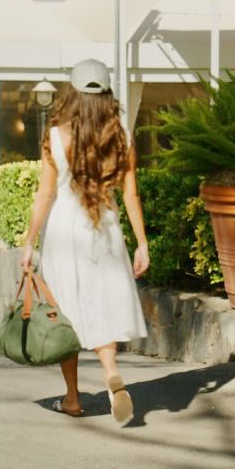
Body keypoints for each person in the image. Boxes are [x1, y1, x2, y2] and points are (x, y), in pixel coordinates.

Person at [17, 59, 150, 421]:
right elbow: (131, 195)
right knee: (101, 306)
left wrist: (29, 241)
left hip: (65, 232)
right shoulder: (122, 137)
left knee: (67, 315)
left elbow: (45, 194)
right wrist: (142, 243)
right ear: (107, 95)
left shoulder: (55, 136)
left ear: (72, 94)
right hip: (105, 230)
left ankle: (73, 398)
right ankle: (111, 373)